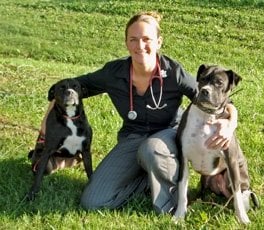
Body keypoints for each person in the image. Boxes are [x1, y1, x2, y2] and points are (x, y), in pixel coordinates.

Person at [31, 11, 238, 214]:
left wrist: (231, 122)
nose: (140, 46)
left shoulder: (173, 72)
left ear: (159, 42)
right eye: (133, 39)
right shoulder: (114, 73)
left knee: (152, 148)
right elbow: (71, 86)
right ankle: (146, 181)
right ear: (127, 43)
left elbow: (214, 100)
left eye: (147, 39)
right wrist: (47, 122)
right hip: (133, 137)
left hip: (168, 136)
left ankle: (171, 205)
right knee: (93, 201)